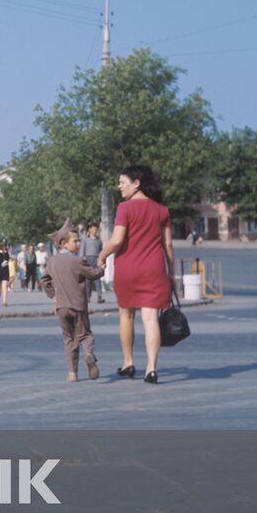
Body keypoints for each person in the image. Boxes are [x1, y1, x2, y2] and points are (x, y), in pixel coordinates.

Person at [97, 164, 175, 384]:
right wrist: (171, 274)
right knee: (150, 319)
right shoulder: (162, 210)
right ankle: (151, 368)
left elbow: (117, 240)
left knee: (126, 315)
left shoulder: (125, 208)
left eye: (122, 182)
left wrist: (102, 256)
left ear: (136, 183)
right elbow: (167, 244)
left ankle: (129, 362)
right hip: (154, 270)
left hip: (128, 269)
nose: (119, 187)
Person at [41, 219, 104, 382]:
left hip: (61, 307)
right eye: (75, 241)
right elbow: (93, 274)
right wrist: (101, 269)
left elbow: (44, 280)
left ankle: (72, 373)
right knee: (86, 335)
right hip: (78, 306)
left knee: (69, 339)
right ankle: (89, 354)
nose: (78, 244)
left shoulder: (52, 261)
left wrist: (53, 295)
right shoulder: (78, 260)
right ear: (64, 243)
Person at [79, 222, 105, 303]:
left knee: (98, 278)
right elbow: (82, 250)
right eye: (93, 229)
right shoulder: (85, 240)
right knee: (88, 280)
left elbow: (101, 251)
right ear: (90, 229)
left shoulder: (99, 240)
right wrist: (81, 260)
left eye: (96, 229)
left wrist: (102, 260)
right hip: (88, 259)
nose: (95, 231)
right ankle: (87, 297)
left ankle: (99, 297)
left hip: (96, 259)